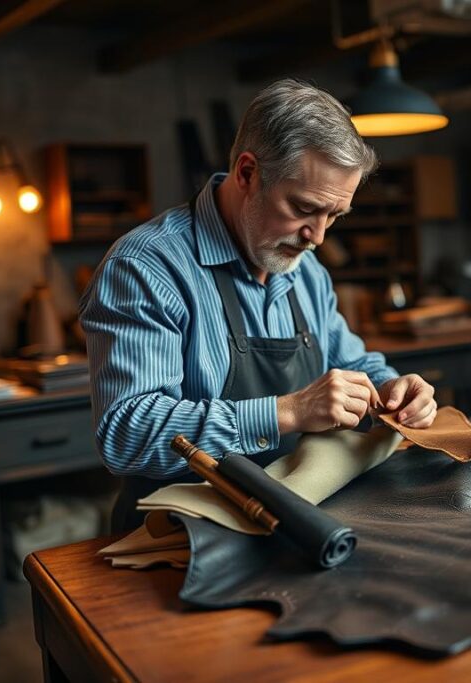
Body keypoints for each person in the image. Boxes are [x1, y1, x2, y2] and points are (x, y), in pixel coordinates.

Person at [80, 79, 437, 531]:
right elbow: (127, 434)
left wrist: (391, 390)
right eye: (304, 208)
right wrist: (287, 411)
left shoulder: (306, 270)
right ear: (247, 173)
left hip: (290, 519)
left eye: (334, 216)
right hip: (178, 535)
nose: (318, 236)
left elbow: (352, 363)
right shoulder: (146, 269)